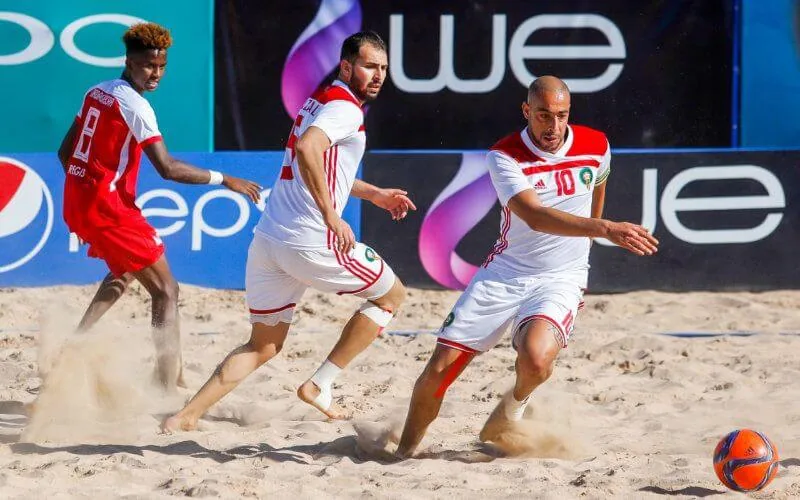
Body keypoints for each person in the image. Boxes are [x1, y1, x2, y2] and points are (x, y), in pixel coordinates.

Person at [161, 31, 415, 431]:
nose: (378, 74)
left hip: (270, 241)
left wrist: (374, 195)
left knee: (263, 345)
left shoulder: (321, 100)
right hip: (311, 241)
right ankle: (320, 384)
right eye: (369, 66)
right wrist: (332, 215)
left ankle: (184, 416)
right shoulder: (346, 110)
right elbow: (308, 151)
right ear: (347, 66)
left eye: (383, 67)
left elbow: (323, 168)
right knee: (391, 297)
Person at [395, 76, 659, 457]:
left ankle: (510, 412)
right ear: (526, 111)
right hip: (506, 273)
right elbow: (535, 217)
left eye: (562, 116)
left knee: (536, 359)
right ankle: (403, 453)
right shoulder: (503, 155)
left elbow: (596, 191)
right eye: (543, 116)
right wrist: (604, 228)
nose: (553, 127)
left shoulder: (596, 144)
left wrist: (586, 241)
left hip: (560, 277)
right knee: (437, 373)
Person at [56, 23, 261, 391]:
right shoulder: (136, 106)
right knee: (166, 290)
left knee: (125, 270)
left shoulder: (97, 90)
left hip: (78, 200)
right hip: (108, 206)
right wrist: (225, 180)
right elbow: (167, 168)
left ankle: (75, 345)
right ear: (129, 61)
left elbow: (64, 152)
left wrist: (86, 188)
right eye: (149, 65)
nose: (156, 74)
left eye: (162, 66)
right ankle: (165, 390)